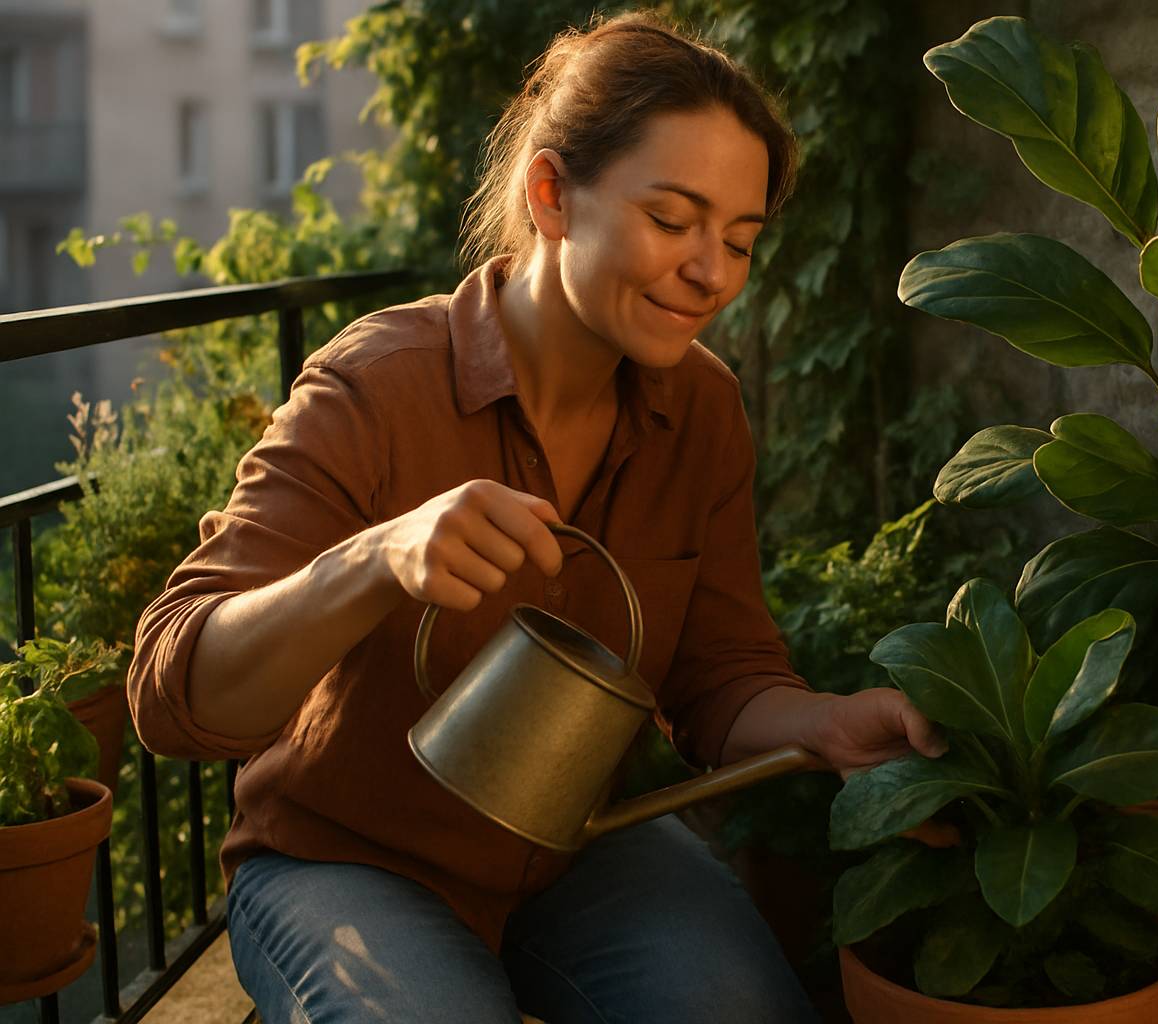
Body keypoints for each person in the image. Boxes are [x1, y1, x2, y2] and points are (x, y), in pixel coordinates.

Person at [128, 10, 950, 1023]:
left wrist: (825, 725)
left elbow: (718, 674)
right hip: (344, 863)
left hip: (584, 840)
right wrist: (376, 558)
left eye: (739, 239)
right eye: (673, 219)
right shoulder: (375, 386)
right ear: (553, 193)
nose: (712, 272)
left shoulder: (701, 409)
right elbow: (170, 688)